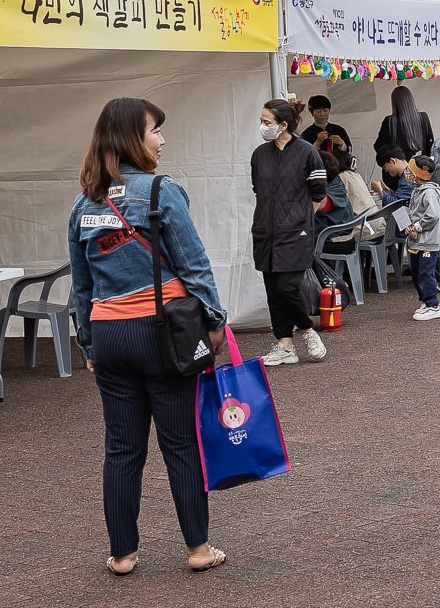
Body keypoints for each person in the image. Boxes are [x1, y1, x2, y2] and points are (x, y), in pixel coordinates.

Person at [66, 97, 225, 576]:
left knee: (121, 448)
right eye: (155, 130)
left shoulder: (83, 204)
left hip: (109, 334)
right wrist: (214, 321)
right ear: (134, 137)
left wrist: (89, 345)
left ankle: (122, 554)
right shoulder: (161, 192)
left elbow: (81, 287)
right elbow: (193, 263)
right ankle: (197, 549)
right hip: (163, 333)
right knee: (179, 444)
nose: (161, 139)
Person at [250, 99, 330, 367]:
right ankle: (285, 344)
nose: (262, 126)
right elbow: (258, 190)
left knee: (287, 287)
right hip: (264, 231)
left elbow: (319, 192)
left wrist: (300, 217)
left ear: (283, 125)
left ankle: (307, 330)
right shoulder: (259, 155)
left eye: (266, 122)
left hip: (297, 233)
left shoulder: (308, 153)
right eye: (261, 121)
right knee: (273, 289)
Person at [401, 154, 440, 321]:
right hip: (418, 241)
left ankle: (433, 305)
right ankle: (426, 302)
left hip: (427, 241)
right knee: (418, 273)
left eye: (409, 171)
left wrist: (417, 227)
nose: (407, 174)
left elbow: (433, 215)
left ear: (418, 174)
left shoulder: (429, 193)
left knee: (426, 273)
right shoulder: (418, 191)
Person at [299, 94, 350, 171]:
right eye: (318, 111)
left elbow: (349, 150)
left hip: (339, 169)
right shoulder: (306, 133)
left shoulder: (339, 130)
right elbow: (304, 156)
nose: (322, 114)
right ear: (312, 113)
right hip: (318, 170)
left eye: (325, 111)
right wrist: (317, 143)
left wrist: (342, 144)